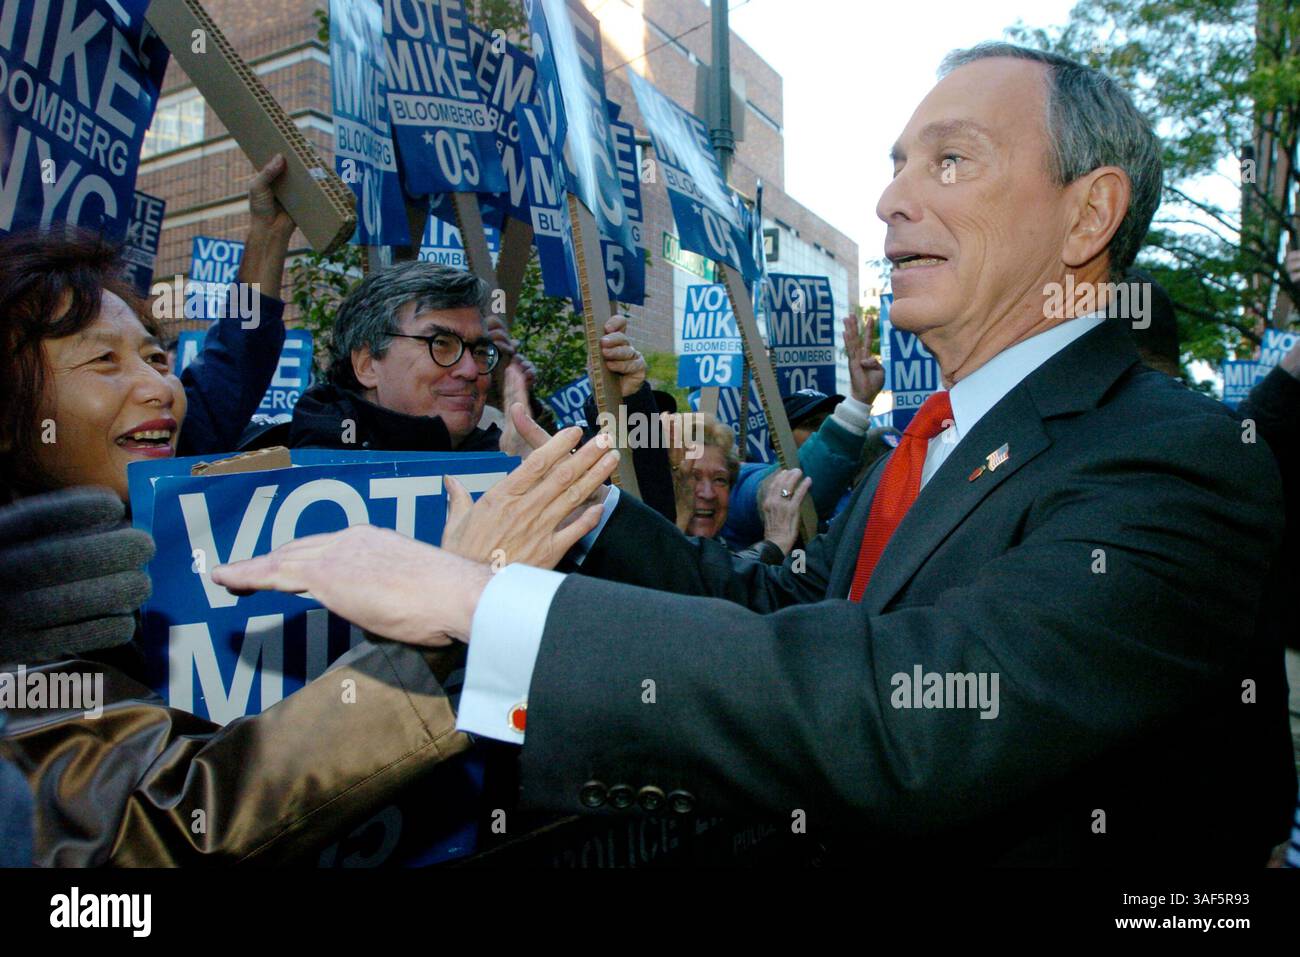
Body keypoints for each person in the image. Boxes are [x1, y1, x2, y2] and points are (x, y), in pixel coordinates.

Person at [214, 43, 1294, 865]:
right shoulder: (938, 445)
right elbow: (778, 614)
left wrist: (483, 610)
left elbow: (917, 709)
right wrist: (585, 507)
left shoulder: (1176, 461)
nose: (888, 200)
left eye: (952, 160)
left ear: (1087, 213)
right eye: (894, 165)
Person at [0, 215, 614, 864]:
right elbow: (165, 824)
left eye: (156, 356)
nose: (159, 385)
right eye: (103, 360)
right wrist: (450, 602)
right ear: (365, 362)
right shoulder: (248, 482)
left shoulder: (507, 474)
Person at [174, 155, 296, 457]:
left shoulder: (179, 442)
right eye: (105, 359)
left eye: (152, 361)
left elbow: (237, 353)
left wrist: (268, 232)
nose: (151, 388)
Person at [666, 413, 811, 564]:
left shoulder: (727, 552)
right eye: (692, 477)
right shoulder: (643, 556)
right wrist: (775, 545)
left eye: (720, 480)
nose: (708, 494)